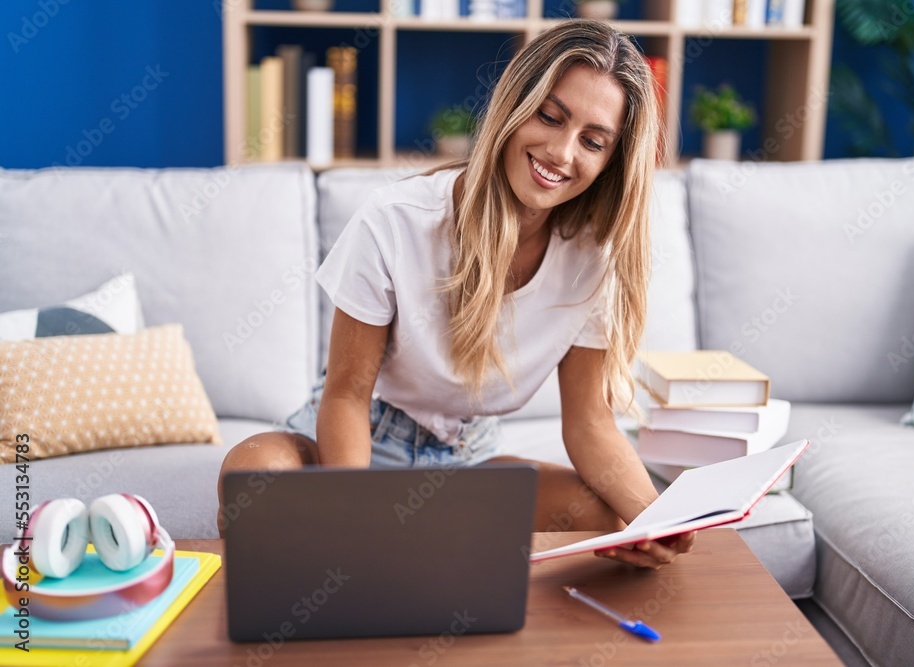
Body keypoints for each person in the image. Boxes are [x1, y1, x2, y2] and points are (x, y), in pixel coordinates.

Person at [217, 19, 694, 569]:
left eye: (593, 141)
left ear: (613, 161)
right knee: (252, 477)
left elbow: (589, 422)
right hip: (357, 442)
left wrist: (655, 518)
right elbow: (345, 394)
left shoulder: (594, 259)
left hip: (464, 462)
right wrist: (353, 514)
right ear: (515, 106)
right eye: (550, 116)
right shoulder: (397, 220)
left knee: (607, 520)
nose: (562, 153)